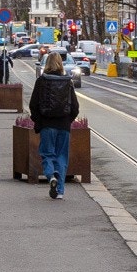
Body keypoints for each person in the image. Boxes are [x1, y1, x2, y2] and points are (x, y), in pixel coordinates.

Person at [29, 52, 80, 200]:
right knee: (61, 157)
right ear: (60, 64)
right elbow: (75, 107)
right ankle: (60, 191)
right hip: (63, 125)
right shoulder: (67, 82)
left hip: (47, 125)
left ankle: (51, 176)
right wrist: (68, 121)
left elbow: (33, 104)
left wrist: (38, 121)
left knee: (47, 154)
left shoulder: (41, 81)